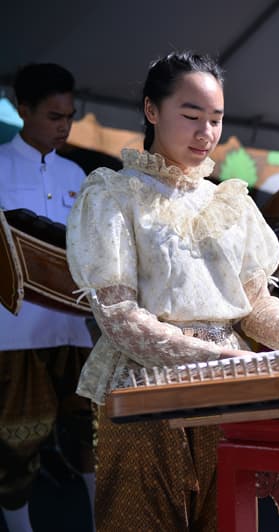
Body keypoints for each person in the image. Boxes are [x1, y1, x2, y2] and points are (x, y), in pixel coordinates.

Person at [65, 51, 279, 531]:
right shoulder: (114, 194)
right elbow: (118, 317)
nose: (206, 133)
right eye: (191, 115)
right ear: (152, 111)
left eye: (216, 119)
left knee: (229, 520)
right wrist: (217, 360)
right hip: (147, 391)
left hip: (232, 392)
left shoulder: (230, 201)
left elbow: (256, 309)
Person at [0, 63, 95, 532]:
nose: (64, 126)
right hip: (13, 333)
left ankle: (104, 521)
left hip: (74, 328)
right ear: (23, 111)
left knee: (93, 433)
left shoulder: (77, 171)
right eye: (54, 116)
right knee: (19, 441)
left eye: (69, 116)